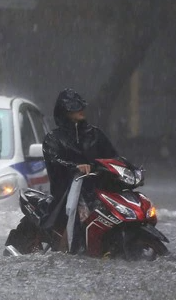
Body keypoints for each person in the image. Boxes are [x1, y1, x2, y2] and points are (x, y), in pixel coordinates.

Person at [42, 88, 119, 254]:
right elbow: (54, 161)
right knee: (74, 227)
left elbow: (114, 157)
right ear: (65, 112)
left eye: (81, 107)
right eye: (74, 108)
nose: (80, 110)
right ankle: (66, 253)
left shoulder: (95, 135)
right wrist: (74, 167)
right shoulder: (53, 139)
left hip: (98, 191)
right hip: (68, 195)